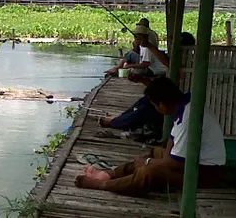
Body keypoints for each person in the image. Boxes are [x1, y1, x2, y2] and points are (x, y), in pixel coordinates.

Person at [75, 77, 226, 197]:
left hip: (205, 172)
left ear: (162, 105)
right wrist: (156, 159)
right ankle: (110, 174)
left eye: (154, 105)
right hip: (193, 162)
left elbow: (177, 164)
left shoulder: (188, 118)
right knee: (155, 153)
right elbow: (172, 142)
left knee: (149, 171)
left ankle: (102, 185)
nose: (155, 109)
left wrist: (150, 163)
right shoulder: (184, 105)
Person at [99, 32, 196, 138]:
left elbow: (169, 76)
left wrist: (148, 45)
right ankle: (119, 118)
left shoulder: (186, 65)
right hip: (170, 97)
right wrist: (141, 79)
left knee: (146, 109)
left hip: (172, 102)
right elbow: (160, 89)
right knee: (145, 99)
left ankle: (115, 122)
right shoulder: (176, 63)